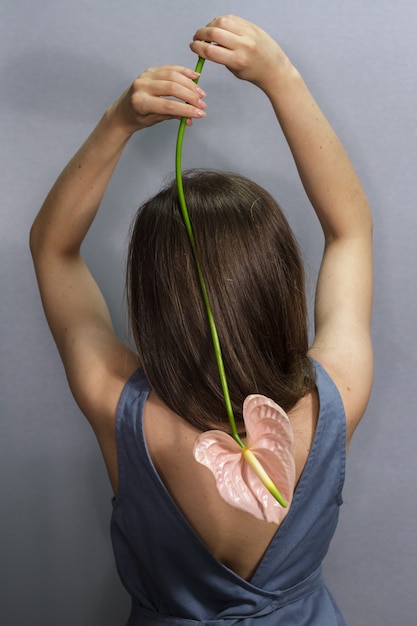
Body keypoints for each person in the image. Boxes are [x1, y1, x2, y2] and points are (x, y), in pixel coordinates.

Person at [30, 15, 373, 626]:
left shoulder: (121, 410)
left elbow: (52, 249)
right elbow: (349, 232)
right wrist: (280, 77)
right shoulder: (334, 397)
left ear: (153, 302)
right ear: (276, 285)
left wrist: (119, 122)